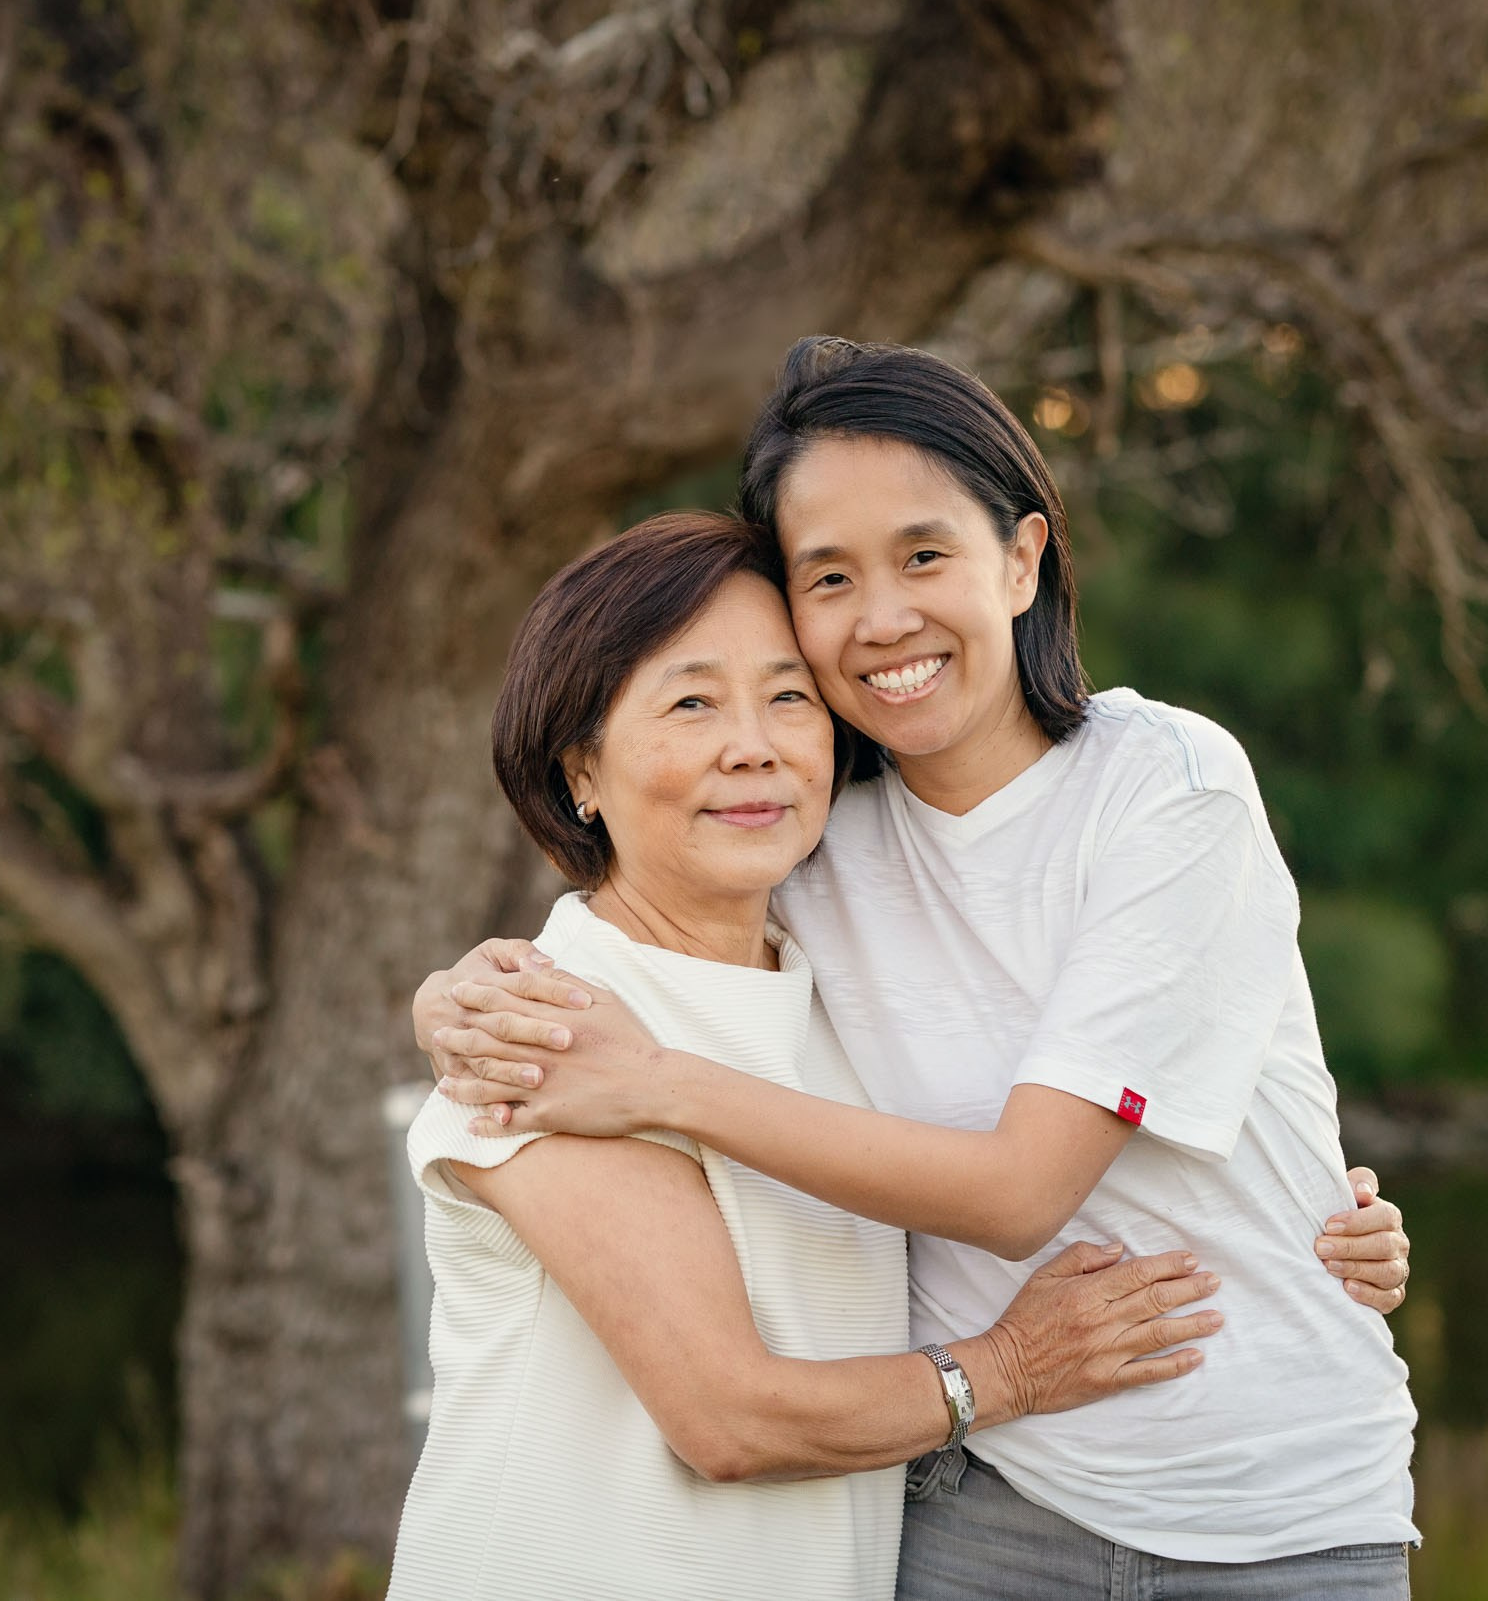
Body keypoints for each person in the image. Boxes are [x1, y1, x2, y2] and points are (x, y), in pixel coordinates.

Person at [419, 337, 1420, 1599]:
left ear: (1022, 556)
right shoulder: (818, 849)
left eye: (924, 554)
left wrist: (653, 1082)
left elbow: (1021, 1189)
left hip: (1273, 1517)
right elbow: (636, 914)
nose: (883, 616)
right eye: (828, 576)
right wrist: (447, 1001)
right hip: (982, 1512)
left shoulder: (1163, 784)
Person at [389, 511, 1237, 1601]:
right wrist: (1011, 1368)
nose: (755, 742)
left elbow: (1035, 1127)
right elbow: (729, 1418)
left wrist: (1331, 1211)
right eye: (692, 701)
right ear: (580, 772)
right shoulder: (550, 1032)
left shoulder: (830, 982)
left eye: (788, 695)